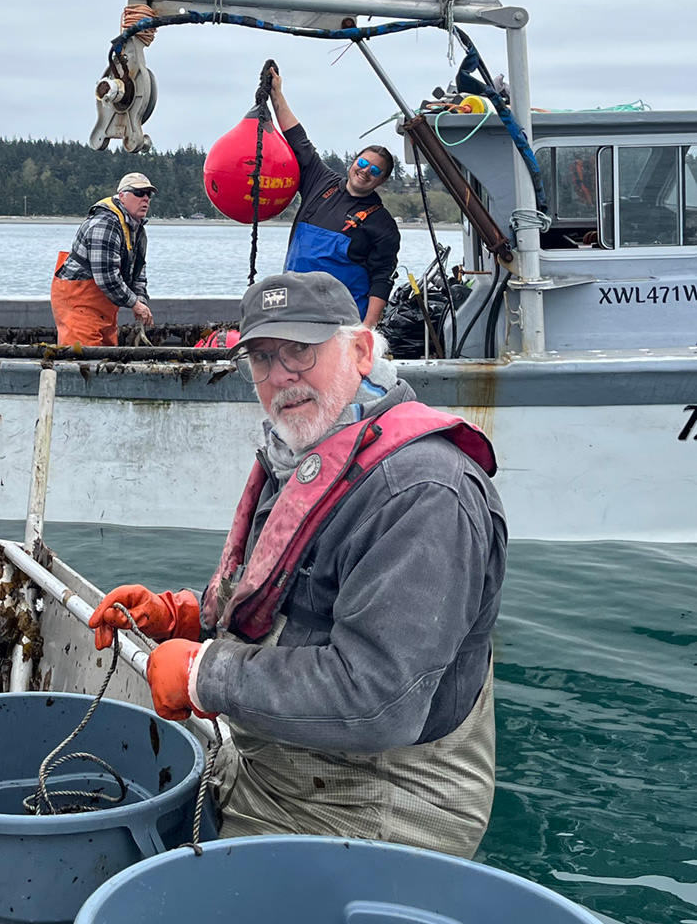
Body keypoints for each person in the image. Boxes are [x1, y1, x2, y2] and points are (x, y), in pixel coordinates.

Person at [89, 271, 507, 858]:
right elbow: (287, 604)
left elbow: (380, 699)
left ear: (361, 350)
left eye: (300, 350)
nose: (280, 374)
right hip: (279, 771)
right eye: (261, 358)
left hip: (376, 807)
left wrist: (201, 674)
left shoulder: (423, 492)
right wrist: (181, 618)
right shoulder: (305, 453)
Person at [267, 68, 402, 326]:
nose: (365, 171)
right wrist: (276, 94)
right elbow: (298, 140)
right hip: (295, 311)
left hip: (343, 321)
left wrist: (367, 329)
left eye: (375, 170)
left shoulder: (382, 224)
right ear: (353, 161)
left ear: (382, 180)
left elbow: (382, 278)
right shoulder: (320, 182)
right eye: (362, 162)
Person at [51, 171, 155, 345]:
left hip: (104, 309)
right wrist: (135, 304)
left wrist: (141, 301)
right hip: (80, 306)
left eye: (148, 194)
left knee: (106, 359)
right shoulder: (105, 223)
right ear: (122, 195)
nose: (145, 198)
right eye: (139, 193)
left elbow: (138, 272)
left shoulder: (137, 231)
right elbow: (106, 277)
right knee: (82, 363)